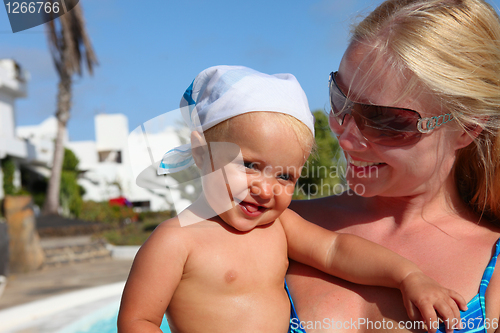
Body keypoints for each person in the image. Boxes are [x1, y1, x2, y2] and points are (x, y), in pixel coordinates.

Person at [117, 65, 466, 333]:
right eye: (250, 165)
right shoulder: (176, 240)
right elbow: (138, 320)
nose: (266, 190)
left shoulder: (279, 227)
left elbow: (336, 251)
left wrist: (408, 276)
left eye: (284, 176)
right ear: (200, 152)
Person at [287, 0, 500, 332]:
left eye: (384, 120)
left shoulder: (495, 266)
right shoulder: (278, 225)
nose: (345, 136)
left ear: (468, 127)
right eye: (340, 99)